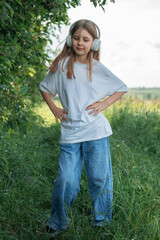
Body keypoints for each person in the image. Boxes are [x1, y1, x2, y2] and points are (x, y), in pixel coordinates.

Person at [39, 19, 128, 233]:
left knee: (99, 179)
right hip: (70, 135)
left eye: (86, 39)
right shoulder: (61, 66)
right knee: (66, 180)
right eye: (77, 38)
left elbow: (121, 87)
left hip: (96, 133)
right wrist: (54, 109)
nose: (80, 43)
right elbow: (44, 87)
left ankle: (101, 222)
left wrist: (104, 103)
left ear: (94, 43)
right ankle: (58, 222)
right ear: (70, 39)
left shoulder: (97, 68)